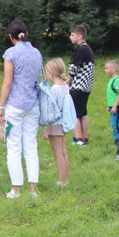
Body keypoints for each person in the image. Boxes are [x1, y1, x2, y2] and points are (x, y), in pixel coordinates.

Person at [0, 19, 44, 198]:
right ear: (27, 34)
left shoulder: (10, 53)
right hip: (33, 104)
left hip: (14, 105)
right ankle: (33, 189)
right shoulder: (36, 53)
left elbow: (7, 82)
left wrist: (1, 106)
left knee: (14, 147)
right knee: (31, 146)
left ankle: (16, 189)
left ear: (11, 36)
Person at [43, 58, 71, 189]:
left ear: (51, 73)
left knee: (58, 153)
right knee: (64, 152)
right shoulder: (66, 86)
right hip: (64, 123)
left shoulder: (53, 90)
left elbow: (51, 112)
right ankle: (65, 178)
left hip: (55, 125)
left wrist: (46, 131)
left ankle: (62, 181)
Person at [68, 25, 94, 146]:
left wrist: (68, 80)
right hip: (87, 86)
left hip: (78, 85)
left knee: (74, 112)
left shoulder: (80, 49)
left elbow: (75, 67)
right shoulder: (88, 49)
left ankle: (78, 138)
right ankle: (85, 138)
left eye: (72, 35)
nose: (70, 37)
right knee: (83, 112)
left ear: (80, 36)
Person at [105, 60, 119, 142]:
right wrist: (109, 106)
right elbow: (112, 95)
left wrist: (115, 106)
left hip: (118, 106)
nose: (105, 70)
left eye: (107, 68)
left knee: (117, 124)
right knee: (114, 124)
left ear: (113, 69)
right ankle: (117, 139)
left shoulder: (117, 80)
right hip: (113, 107)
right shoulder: (110, 80)